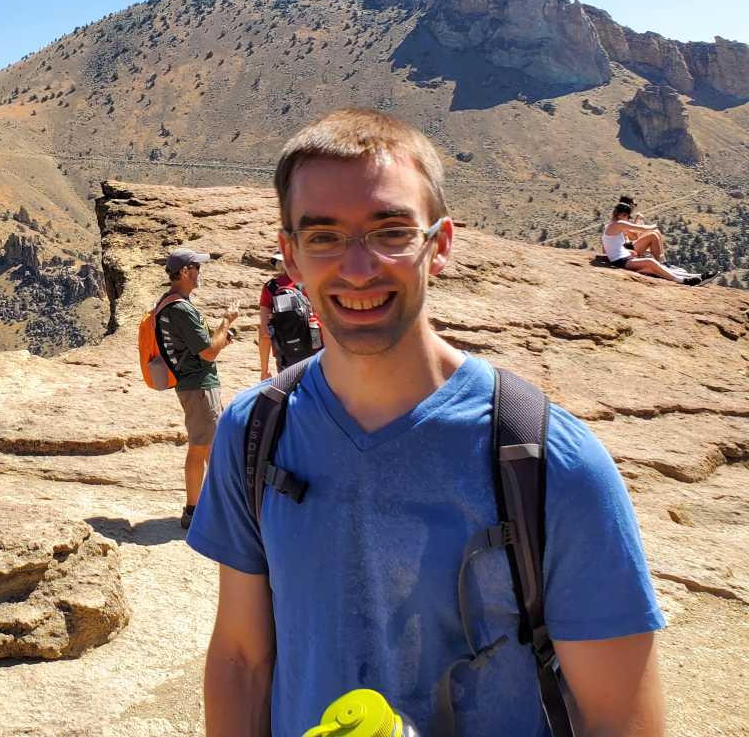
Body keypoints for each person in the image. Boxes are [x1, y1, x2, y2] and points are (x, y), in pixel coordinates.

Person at [187, 109, 666, 736]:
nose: (358, 268)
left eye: (390, 232)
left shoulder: (548, 460)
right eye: (324, 236)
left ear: (439, 245)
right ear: (291, 256)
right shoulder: (255, 432)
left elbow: (621, 719)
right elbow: (241, 659)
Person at [157, 247, 240, 530]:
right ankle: (196, 512)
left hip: (194, 385)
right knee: (203, 448)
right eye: (197, 268)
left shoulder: (172, 302)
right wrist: (226, 321)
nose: (200, 272)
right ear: (184, 272)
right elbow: (207, 352)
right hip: (199, 386)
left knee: (207, 446)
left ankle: (206, 508)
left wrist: (222, 336)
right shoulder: (180, 309)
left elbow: (204, 345)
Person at [603, 201, 703, 284]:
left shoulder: (611, 225)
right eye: (628, 217)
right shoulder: (619, 224)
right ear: (621, 215)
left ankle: (685, 276)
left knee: (651, 267)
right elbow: (640, 229)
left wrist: (628, 252)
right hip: (621, 261)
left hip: (623, 258)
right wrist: (653, 226)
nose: (627, 219)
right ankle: (682, 280)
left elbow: (616, 246)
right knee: (650, 262)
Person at [258, 253, 321, 380]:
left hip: (286, 355)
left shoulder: (271, 288)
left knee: (291, 390)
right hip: (318, 351)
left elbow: (265, 333)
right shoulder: (314, 282)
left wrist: (264, 370)